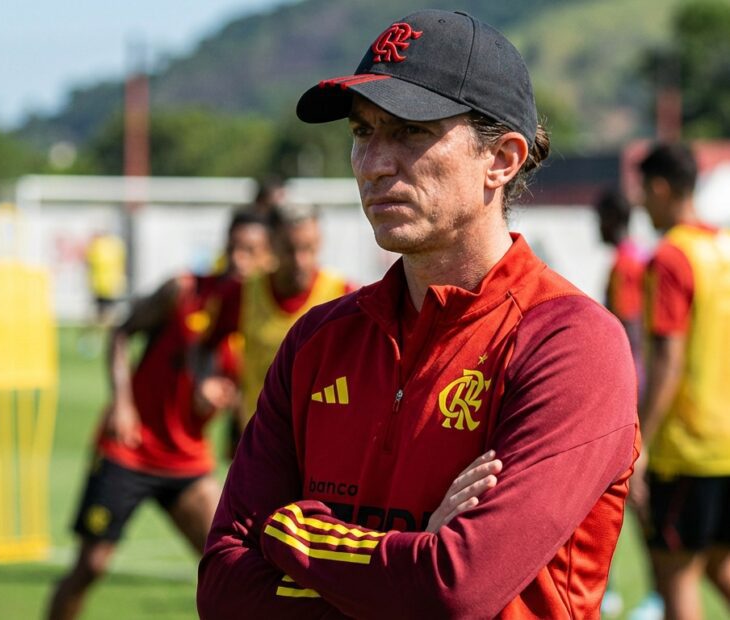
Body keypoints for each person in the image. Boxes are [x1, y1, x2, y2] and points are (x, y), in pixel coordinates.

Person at [197, 9, 639, 619]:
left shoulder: (570, 343)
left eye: (410, 131)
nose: (373, 163)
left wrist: (292, 533)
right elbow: (223, 589)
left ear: (502, 159)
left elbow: (455, 588)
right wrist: (409, 561)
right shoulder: (318, 340)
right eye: (362, 132)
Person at [46, 208, 274, 620]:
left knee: (234, 566)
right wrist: (123, 403)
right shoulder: (183, 290)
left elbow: (241, 391)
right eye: (234, 248)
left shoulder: (260, 321)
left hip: (187, 460)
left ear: (269, 258)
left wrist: (225, 408)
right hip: (129, 449)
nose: (239, 260)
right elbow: (121, 334)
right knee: (90, 566)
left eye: (251, 252)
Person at [632, 142, 730, 620]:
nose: (640, 204)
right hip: (726, 444)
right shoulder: (723, 247)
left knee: (676, 574)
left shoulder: (671, 257)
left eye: (642, 193)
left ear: (660, 188)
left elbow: (668, 360)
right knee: (718, 564)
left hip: (686, 448)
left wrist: (640, 441)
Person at [200, 203, 354, 453]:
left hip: (323, 444)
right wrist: (206, 379)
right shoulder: (241, 294)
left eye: (309, 248)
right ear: (271, 245)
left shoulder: (344, 295)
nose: (300, 260)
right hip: (260, 443)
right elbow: (204, 347)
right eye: (290, 249)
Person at [596, 187, 648, 388]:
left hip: (632, 371)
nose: (598, 227)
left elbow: (626, 323)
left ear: (611, 218)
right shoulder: (640, 253)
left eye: (600, 219)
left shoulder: (625, 264)